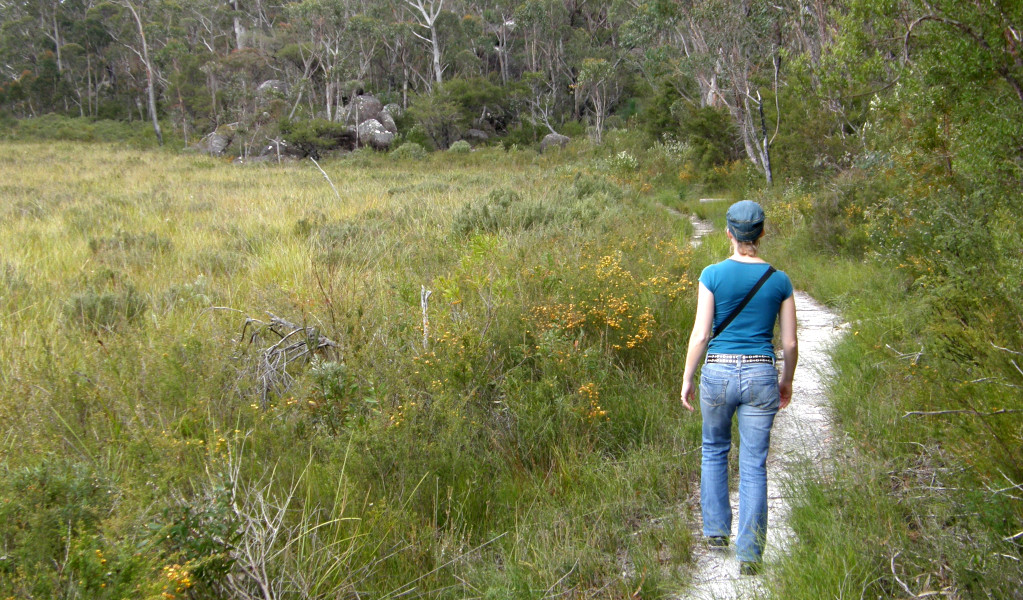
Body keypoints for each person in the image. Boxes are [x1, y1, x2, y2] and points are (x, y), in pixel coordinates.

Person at [679, 200, 798, 575]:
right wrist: (786, 381)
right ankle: (750, 553)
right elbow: (791, 344)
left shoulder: (711, 275)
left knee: (714, 448)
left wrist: (687, 377)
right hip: (762, 373)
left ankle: (716, 533)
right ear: (762, 233)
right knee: (753, 463)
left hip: (717, 373)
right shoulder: (779, 280)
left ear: (728, 233)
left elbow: (701, 334)